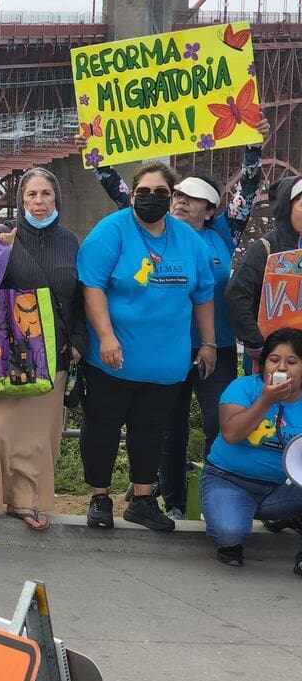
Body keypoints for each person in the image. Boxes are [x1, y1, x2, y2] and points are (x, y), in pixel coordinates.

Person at [77, 121, 268, 519]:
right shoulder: (120, 227)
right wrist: (95, 151)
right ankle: (135, 499)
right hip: (130, 353)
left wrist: (252, 140)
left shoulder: (215, 233)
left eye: (174, 195)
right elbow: (94, 278)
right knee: (136, 428)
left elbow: (203, 293)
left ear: (211, 208)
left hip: (183, 353)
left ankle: (182, 497)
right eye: (174, 195)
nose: (175, 202)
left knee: (177, 426)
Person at [0, 168, 86, 542]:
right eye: (31, 195)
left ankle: (25, 500)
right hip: (11, 349)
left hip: (54, 349)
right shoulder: (4, 236)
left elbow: (78, 296)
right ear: (20, 200)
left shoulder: (71, 241)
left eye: (45, 194)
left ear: (56, 198)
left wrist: (77, 340)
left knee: (41, 435)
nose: (39, 202)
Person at [77, 162, 216, 532]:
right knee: (102, 427)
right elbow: (91, 286)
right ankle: (99, 497)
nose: (151, 199)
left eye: (161, 194)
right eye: (144, 192)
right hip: (113, 358)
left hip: (166, 362)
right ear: (132, 192)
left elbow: (203, 294)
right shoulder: (112, 231)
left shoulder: (188, 240)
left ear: (170, 199)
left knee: (151, 430)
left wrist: (208, 342)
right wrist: (106, 336)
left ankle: (142, 499)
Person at [200, 327, 302, 574]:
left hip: (283, 488)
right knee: (229, 532)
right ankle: (233, 538)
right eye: (274, 360)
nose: (281, 368)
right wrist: (265, 400)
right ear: (263, 363)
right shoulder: (244, 387)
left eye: (292, 362)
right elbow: (232, 434)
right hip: (230, 480)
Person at [227, 176, 302, 364]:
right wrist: (254, 342)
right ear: (287, 207)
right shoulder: (265, 248)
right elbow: (235, 295)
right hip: (273, 357)